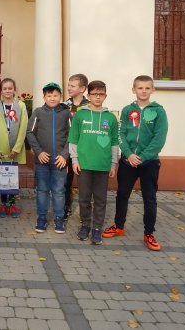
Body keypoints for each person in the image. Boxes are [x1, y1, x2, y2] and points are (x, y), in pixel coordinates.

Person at [102, 75, 168, 251]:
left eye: (147, 88)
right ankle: (119, 226)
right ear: (133, 90)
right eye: (140, 88)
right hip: (127, 162)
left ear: (153, 90)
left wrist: (143, 157)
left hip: (149, 163)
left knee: (149, 198)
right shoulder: (127, 110)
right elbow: (120, 134)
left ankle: (149, 233)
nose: (144, 91)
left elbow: (159, 138)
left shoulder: (159, 112)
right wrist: (129, 154)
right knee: (122, 194)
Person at [68, 80, 119, 246]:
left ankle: (97, 228)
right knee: (84, 198)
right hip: (84, 165)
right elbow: (73, 140)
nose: (98, 97)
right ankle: (85, 225)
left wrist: (113, 163)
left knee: (100, 199)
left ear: (105, 96)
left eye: (101, 94)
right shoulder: (80, 115)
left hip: (102, 165)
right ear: (88, 96)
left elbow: (114, 142)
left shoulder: (110, 118)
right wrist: (74, 160)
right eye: (94, 94)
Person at [26, 82, 71, 234]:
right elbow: (30, 133)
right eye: (49, 95)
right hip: (42, 161)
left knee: (59, 191)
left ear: (61, 96)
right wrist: (38, 152)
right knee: (42, 190)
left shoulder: (66, 113)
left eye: (55, 95)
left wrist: (64, 155)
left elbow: (72, 136)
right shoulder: (38, 112)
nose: (52, 98)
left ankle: (59, 218)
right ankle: (42, 218)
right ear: (44, 97)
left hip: (59, 161)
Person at [0, 78, 28, 218]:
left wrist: (16, 149)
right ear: (1, 91)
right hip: (1, 149)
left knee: (12, 177)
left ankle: (12, 204)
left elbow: (23, 127)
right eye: (5, 88)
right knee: (1, 176)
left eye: (10, 88)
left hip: (14, 149)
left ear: (14, 89)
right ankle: (3, 203)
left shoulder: (21, 106)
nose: (7, 91)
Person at [63, 73, 90, 220]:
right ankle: (65, 207)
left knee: (85, 183)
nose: (69, 88)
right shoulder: (64, 105)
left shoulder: (89, 106)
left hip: (84, 149)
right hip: (67, 148)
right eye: (68, 85)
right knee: (66, 181)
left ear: (82, 88)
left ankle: (85, 212)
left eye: (72, 86)